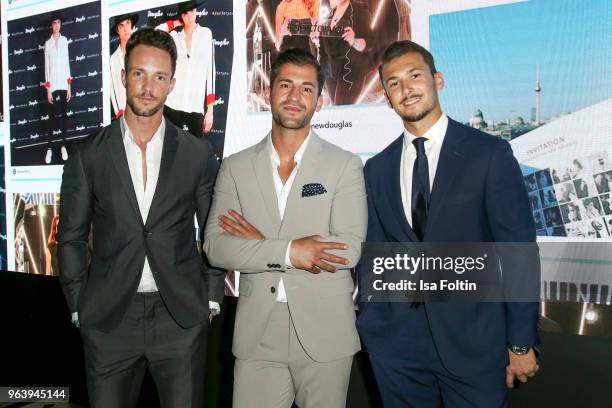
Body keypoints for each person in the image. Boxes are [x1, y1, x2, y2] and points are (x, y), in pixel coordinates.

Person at [356, 41, 539, 407]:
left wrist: (521, 341)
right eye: (393, 83)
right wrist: (375, 322)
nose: (405, 89)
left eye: (414, 76)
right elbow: (374, 255)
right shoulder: (376, 168)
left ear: (437, 80)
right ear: (388, 99)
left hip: (474, 343)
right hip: (397, 348)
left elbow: (517, 252)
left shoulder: (489, 154)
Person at [57, 27, 225, 408]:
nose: (148, 87)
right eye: (139, 74)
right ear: (123, 76)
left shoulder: (197, 154)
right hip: (109, 322)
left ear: (171, 84)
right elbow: (70, 237)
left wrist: (211, 300)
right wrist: (78, 305)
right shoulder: (89, 155)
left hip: (179, 318)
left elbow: (213, 228)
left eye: (159, 77)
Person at [203, 48, 367, 407]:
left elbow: (347, 250)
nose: (295, 97)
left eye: (307, 89)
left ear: (319, 101)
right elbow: (216, 247)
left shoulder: (345, 166)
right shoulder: (235, 166)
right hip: (257, 332)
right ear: (268, 93)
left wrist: (260, 244)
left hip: (326, 331)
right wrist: (291, 251)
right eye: (286, 85)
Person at [157, 0, 216, 139]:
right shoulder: (175, 37)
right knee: (171, 150)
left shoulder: (206, 34)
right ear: (181, 17)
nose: (189, 16)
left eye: (191, 11)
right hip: (172, 104)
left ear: (196, 11)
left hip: (195, 106)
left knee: (195, 151)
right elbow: (156, 31)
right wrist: (175, 24)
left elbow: (210, 70)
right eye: (185, 13)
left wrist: (210, 110)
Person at [314, 0, 374, 105]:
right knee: (337, 109)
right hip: (329, 71)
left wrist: (354, 41)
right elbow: (322, 48)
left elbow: (371, 42)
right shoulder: (325, 11)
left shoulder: (360, 9)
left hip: (351, 71)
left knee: (341, 108)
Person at [44, 12, 72, 164]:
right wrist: (48, 89)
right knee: (52, 118)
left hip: (63, 84)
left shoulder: (65, 40)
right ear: (51, 25)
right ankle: (49, 148)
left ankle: (63, 145)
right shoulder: (47, 44)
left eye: (58, 23)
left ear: (61, 24)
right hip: (53, 86)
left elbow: (67, 63)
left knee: (63, 117)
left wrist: (69, 87)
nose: (56, 25)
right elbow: (47, 69)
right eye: (54, 23)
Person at [109, 13, 139, 119]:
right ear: (117, 30)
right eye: (121, 25)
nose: (125, 28)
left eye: (128, 23)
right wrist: (118, 111)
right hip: (124, 110)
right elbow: (112, 89)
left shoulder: (140, 51)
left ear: (131, 25)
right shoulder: (113, 59)